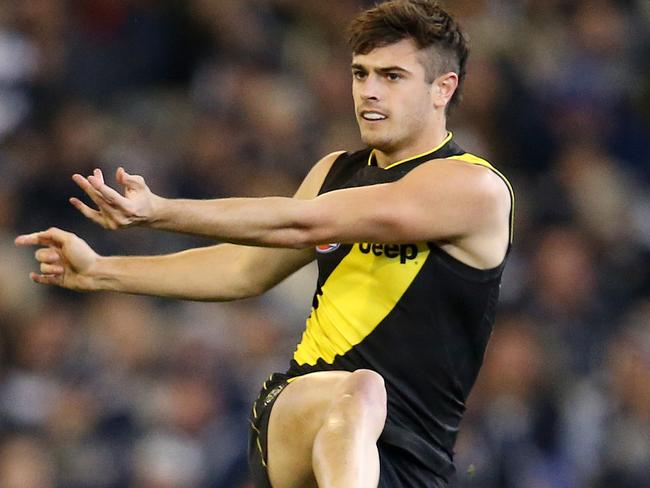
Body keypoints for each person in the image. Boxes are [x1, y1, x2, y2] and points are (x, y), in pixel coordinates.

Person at [16, 1, 514, 487]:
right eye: (361, 74)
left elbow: (304, 224)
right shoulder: (334, 172)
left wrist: (163, 210)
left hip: (415, 458)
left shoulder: (473, 189)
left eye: (392, 76)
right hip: (299, 411)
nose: (369, 92)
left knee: (364, 402)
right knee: (360, 391)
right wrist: (102, 270)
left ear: (442, 88)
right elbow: (244, 271)